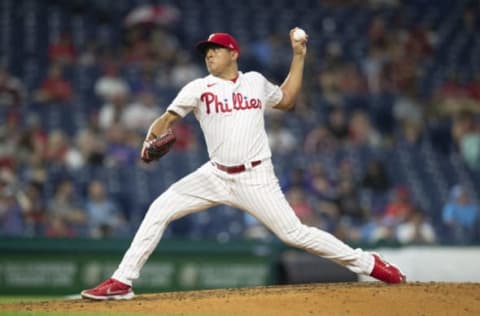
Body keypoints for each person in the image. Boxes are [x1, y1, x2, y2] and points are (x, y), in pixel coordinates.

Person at [81, 28, 406, 301]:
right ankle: (123, 281)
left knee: (296, 234)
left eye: (215, 50)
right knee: (160, 208)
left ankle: (369, 263)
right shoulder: (198, 87)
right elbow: (165, 120)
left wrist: (299, 55)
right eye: (206, 51)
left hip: (256, 177)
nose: (208, 55)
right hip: (215, 174)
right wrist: (149, 140)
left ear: (233, 53)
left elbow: (288, 100)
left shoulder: (255, 81)